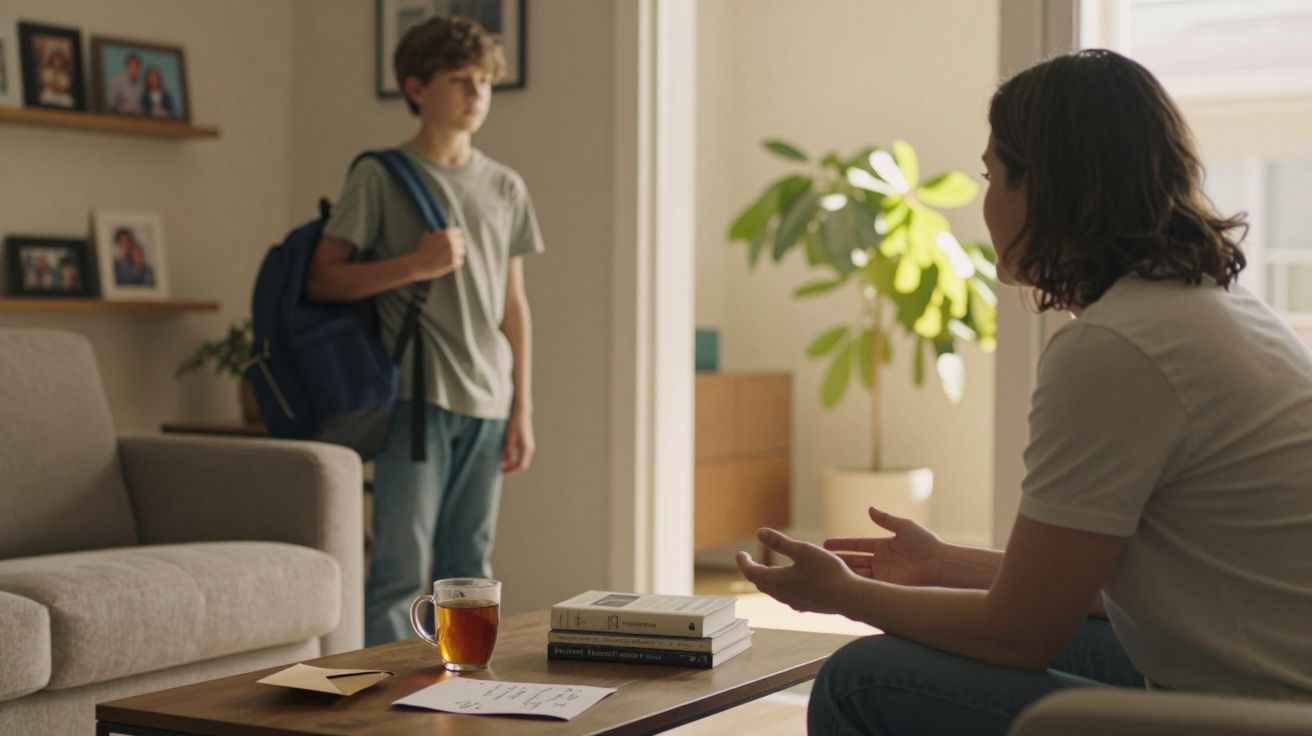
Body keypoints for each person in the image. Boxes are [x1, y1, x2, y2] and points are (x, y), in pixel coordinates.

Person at [736, 49, 1312, 735]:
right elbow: (1119, 588)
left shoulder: (1118, 346)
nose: (984, 202)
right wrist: (942, 564)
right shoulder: (1212, 308)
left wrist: (845, 594)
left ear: (1043, 186)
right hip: (1268, 680)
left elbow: (1019, 634)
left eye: (990, 174)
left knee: (863, 679)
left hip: (1259, 715)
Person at [305, 15, 544, 646]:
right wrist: (416, 263)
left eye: (485, 81)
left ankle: (460, 691)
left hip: (489, 403)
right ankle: (385, 704)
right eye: (460, 80)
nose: (477, 94)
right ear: (416, 88)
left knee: (470, 570)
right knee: (399, 572)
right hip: (414, 401)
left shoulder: (505, 186)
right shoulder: (379, 176)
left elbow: (512, 303)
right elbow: (324, 279)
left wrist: (523, 407)